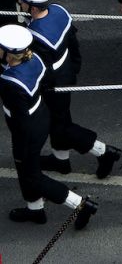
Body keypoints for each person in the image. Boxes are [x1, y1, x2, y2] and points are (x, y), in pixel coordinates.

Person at [16, 0, 121, 180]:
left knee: (58, 124)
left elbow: (35, 67)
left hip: (52, 82)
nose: (20, 2)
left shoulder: (35, 37)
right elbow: (72, 40)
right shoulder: (58, 11)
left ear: (33, 6)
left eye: (23, 0)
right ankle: (60, 160)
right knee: (60, 120)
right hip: (66, 70)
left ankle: (103, 151)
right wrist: (75, 66)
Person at [1, 23, 98, 229]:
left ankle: (80, 205)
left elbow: (20, 119)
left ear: (9, 54)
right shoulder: (33, 58)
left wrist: (22, 146)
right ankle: (35, 209)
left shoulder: (9, 82)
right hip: (41, 115)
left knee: (31, 175)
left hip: (26, 131)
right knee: (25, 171)